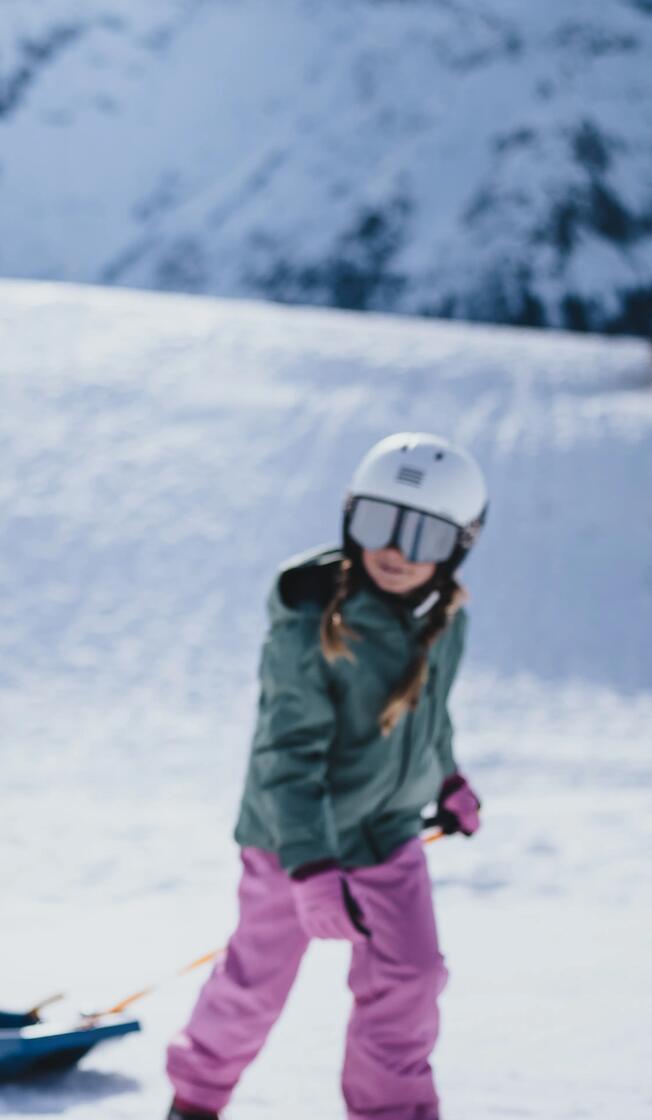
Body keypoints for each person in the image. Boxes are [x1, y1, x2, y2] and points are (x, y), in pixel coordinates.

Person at [165, 434, 489, 1120]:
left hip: (389, 830)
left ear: (459, 544)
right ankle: (195, 1099)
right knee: (257, 984)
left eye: (423, 534)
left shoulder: (444, 617)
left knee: (411, 978)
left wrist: (446, 780)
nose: (397, 550)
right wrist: (309, 866)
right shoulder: (313, 616)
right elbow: (286, 752)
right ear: (349, 518)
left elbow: (428, 714)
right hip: (293, 836)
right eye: (379, 522)